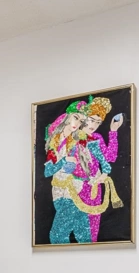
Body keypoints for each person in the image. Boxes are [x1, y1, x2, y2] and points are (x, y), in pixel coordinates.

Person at [73, 96, 125, 242]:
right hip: (76, 186)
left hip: (95, 187)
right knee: (76, 225)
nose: (94, 125)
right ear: (84, 118)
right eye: (91, 120)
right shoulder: (73, 138)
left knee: (93, 227)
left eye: (98, 122)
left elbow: (110, 157)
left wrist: (113, 131)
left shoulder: (96, 138)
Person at [43, 100, 91, 243]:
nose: (77, 123)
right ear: (67, 116)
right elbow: (47, 171)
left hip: (73, 193)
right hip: (59, 192)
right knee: (80, 233)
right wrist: (64, 161)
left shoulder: (77, 142)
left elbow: (86, 167)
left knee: (61, 235)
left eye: (81, 121)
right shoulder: (54, 141)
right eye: (76, 117)